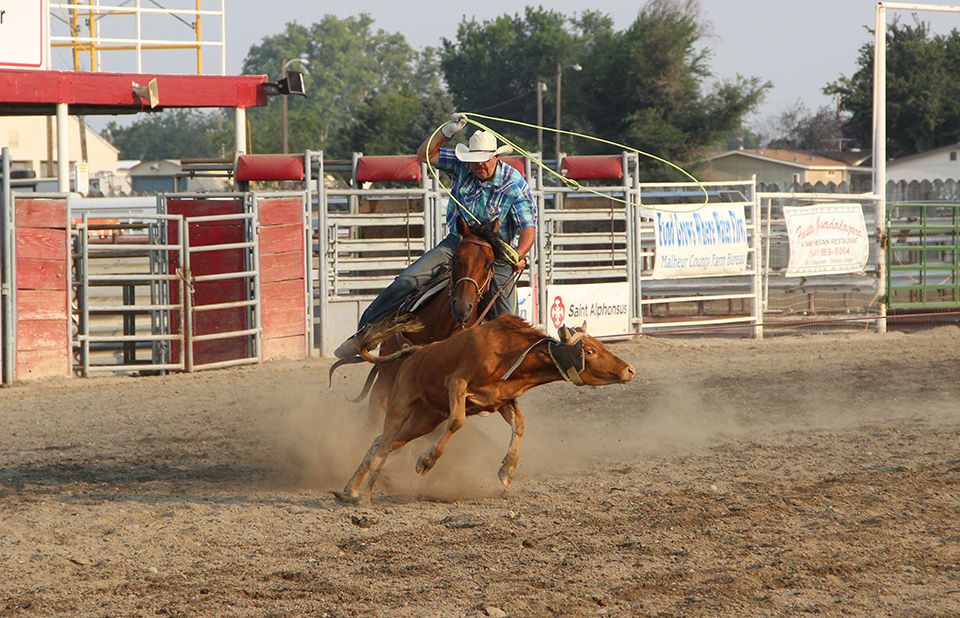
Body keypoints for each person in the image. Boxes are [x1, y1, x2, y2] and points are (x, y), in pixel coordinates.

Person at [334, 113, 537, 359]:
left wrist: (519, 255)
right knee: (407, 281)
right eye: (474, 160)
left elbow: (528, 228)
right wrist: (447, 131)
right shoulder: (462, 164)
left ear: (496, 157)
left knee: (504, 306)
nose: (479, 165)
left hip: (497, 250)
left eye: (484, 160)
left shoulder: (515, 184)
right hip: (458, 242)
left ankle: (510, 362)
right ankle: (364, 334)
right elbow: (425, 155)